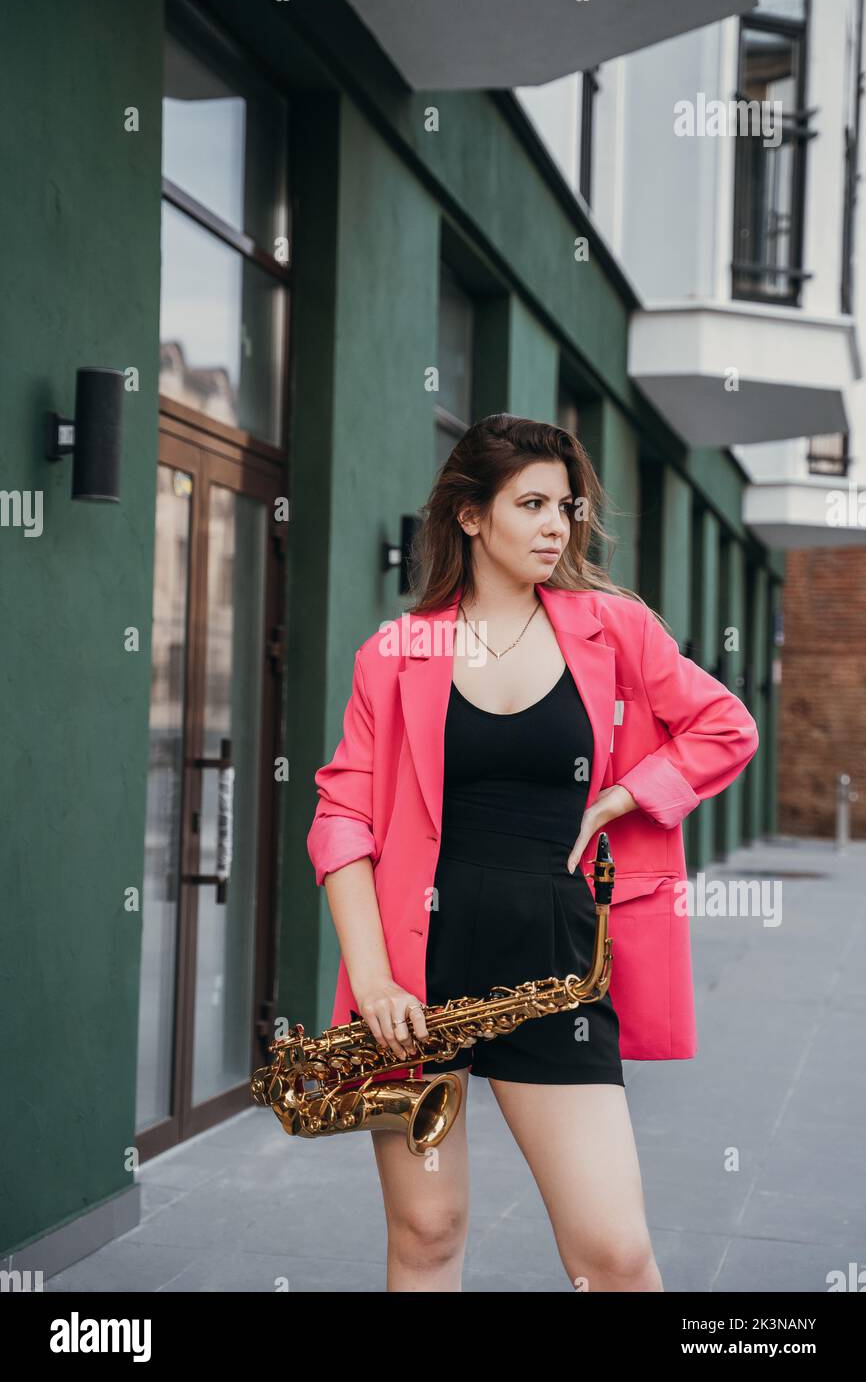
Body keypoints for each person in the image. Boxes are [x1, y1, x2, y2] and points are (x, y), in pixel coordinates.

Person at [306, 413, 760, 1292]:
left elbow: (724, 725)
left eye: (567, 505)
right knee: (428, 1236)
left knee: (616, 1255)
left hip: (558, 967)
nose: (558, 525)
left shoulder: (613, 630)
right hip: (415, 977)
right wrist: (373, 982)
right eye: (533, 504)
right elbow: (343, 819)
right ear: (471, 516)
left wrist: (627, 796)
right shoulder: (397, 653)